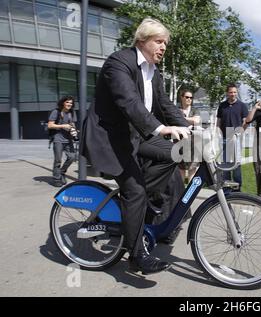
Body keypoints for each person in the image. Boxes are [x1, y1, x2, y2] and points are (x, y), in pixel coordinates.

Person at [81, 18, 190, 275]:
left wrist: (188, 128)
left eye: (166, 43)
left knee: (178, 151)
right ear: (142, 40)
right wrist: (161, 129)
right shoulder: (119, 63)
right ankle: (137, 256)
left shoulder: (154, 71)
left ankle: (138, 203)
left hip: (135, 137)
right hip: (110, 139)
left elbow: (164, 105)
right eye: (159, 41)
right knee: (135, 191)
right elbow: (129, 102)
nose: (163, 47)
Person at [216, 84, 248, 191]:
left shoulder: (242, 106)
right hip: (224, 139)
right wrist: (218, 133)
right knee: (225, 165)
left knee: (236, 165)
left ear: (237, 93)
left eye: (235, 92)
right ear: (227, 93)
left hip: (236, 139)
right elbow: (219, 121)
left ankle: (237, 189)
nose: (233, 94)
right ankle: (227, 189)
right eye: (231, 92)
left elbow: (245, 122)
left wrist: (239, 133)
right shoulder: (222, 105)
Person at [47, 96, 77, 187]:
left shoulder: (72, 112)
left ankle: (62, 172)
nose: (69, 104)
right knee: (58, 160)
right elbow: (50, 125)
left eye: (71, 103)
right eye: (67, 102)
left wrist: (74, 130)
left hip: (68, 139)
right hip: (58, 139)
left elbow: (72, 124)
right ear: (63, 103)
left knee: (72, 157)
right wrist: (62, 126)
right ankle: (56, 178)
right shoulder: (56, 112)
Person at [178, 90, 201, 183]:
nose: (189, 99)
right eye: (187, 97)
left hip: (193, 143)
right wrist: (189, 120)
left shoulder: (194, 110)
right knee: (181, 170)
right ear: (182, 97)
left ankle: (190, 193)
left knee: (192, 169)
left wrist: (182, 119)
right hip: (180, 143)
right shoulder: (177, 109)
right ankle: (181, 193)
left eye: (191, 98)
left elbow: (196, 121)